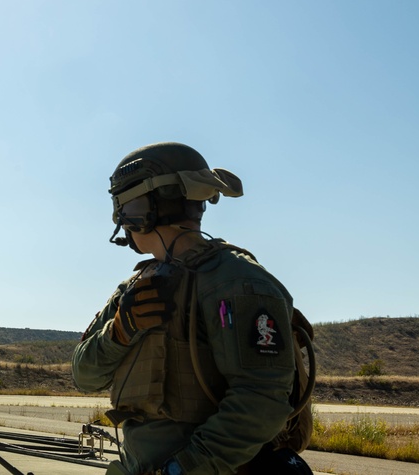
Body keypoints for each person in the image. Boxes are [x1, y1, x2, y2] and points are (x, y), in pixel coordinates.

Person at [72, 142, 311, 475]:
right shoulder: (134, 289)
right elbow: (84, 376)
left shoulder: (236, 281)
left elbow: (261, 401)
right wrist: (119, 333)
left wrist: (179, 470)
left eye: (123, 207)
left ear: (140, 210)